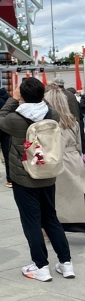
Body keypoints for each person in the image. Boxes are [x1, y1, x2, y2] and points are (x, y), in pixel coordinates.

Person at [0, 77, 74, 281]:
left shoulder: (15, 119)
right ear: (42, 95)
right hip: (48, 173)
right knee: (51, 218)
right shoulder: (52, 114)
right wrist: (39, 96)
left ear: (21, 94)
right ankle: (66, 263)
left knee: (31, 221)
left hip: (25, 176)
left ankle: (41, 266)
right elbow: (45, 105)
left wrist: (13, 99)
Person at [45, 86, 85, 234]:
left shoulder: (50, 124)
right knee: (78, 194)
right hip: (74, 159)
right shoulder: (73, 121)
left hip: (59, 160)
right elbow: (79, 144)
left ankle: (51, 229)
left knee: (57, 198)